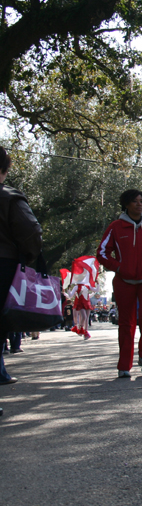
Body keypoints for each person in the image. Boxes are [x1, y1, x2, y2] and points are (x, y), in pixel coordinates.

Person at [97, 189, 142, 376]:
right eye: (135, 201)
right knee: (126, 322)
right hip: (124, 279)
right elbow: (102, 253)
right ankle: (124, 365)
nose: (140, 204)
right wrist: (119, 267)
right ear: (126, 204)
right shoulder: (116, 227)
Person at [0, 146, 43, 386]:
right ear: (4, 169)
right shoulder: (9, 197)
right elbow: (31, 230)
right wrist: (28, 257)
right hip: (4, 263)